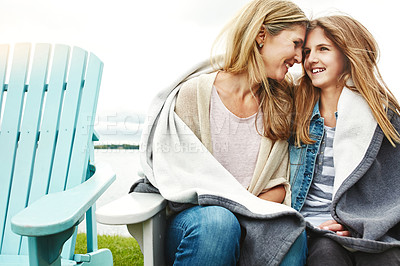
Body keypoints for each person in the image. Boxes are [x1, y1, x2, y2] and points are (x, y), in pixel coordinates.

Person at [130, 0, 309, 265]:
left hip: (254, 222)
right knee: (219, 223)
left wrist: (242, 211)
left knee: (290, 232)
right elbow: (176, 180)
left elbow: (280, 185)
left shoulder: (281, 105)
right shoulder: (193, 96)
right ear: (261, 35)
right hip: (196, 225)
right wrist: (235, 208)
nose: (299, 58)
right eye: (295, 44)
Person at [290, 15, 400, 265]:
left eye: (323, 49)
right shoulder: (293, 110)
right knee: (326, 254)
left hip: (362, 229)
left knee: (388, 258)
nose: (311, 59)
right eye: (307, 51)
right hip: (308, 226)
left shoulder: (382, 117)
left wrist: (358, 223)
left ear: (348, 54)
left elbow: (391, 193)